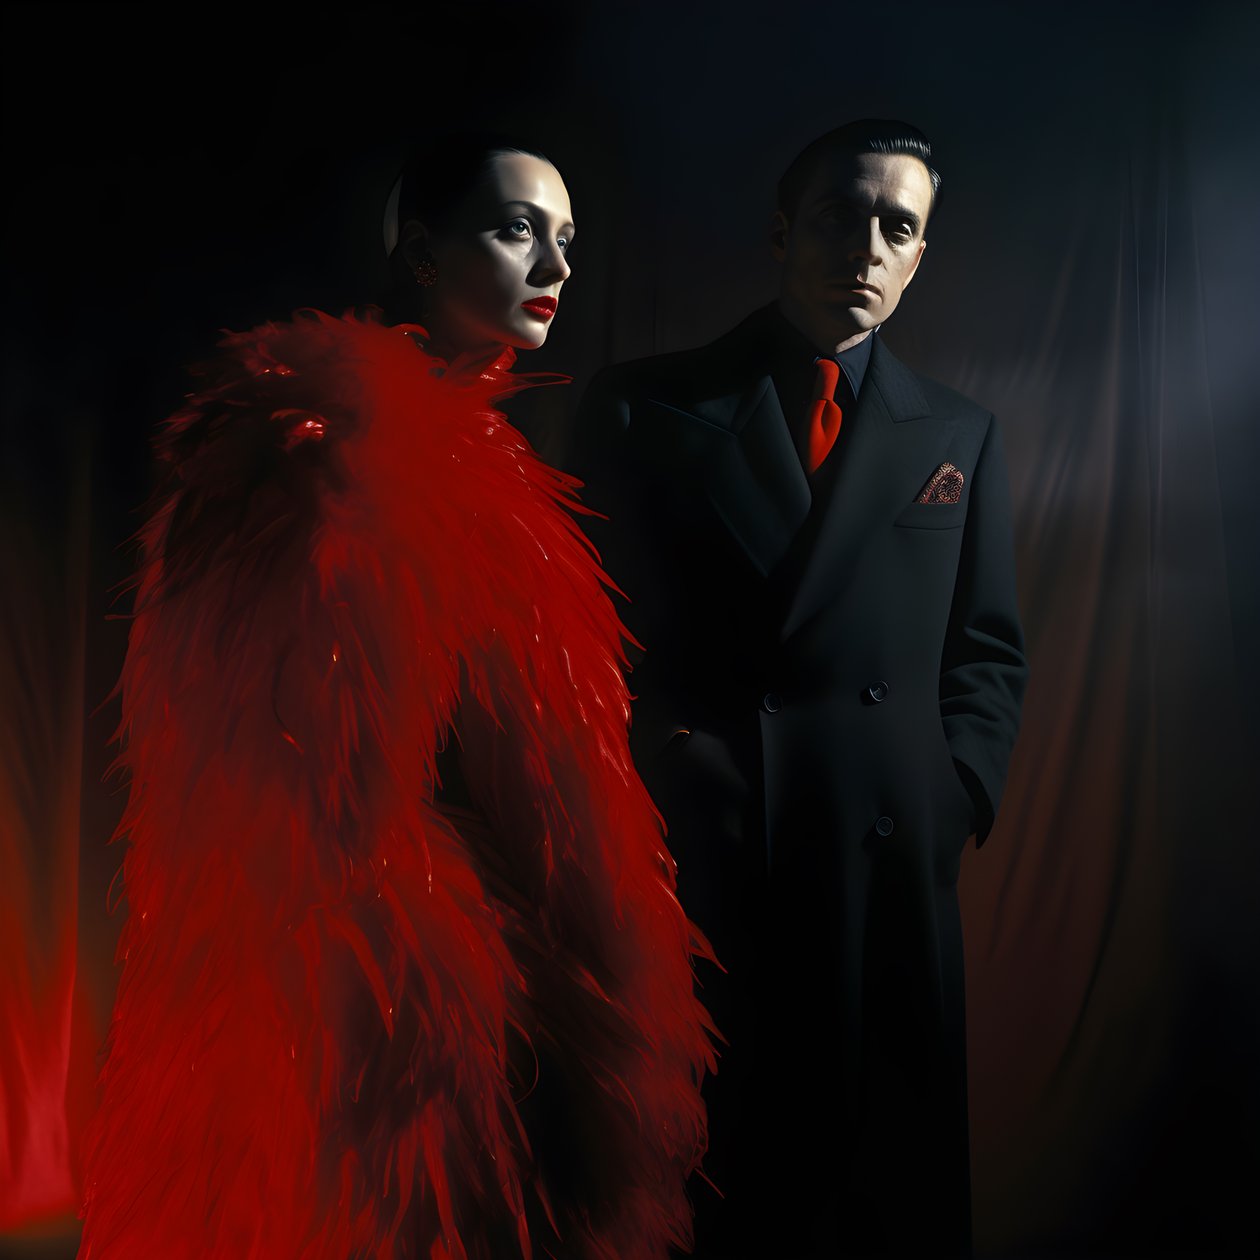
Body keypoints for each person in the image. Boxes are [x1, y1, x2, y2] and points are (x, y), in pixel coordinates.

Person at [79, 135, 714, 1260]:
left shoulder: (475, 459)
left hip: (476, 1002)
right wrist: (494, 977)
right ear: (422, 254)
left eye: (568, 239)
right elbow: (307, 787)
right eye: (518, 231)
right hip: (403, 1020)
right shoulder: (340, 449)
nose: (557, 267)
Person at [568, 120, 1029, 1257]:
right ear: (782, 233)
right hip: (707, 857)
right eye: (840, 214)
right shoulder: (642, 406)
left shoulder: (960, 433)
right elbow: (583, 635)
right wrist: (666, 769)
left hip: (888, 868)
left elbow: (986, 649)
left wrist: (954, 792)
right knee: (718, 1187)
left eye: (898, 227)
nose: (867, 246)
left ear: (920, 255)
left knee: (881, 1195)